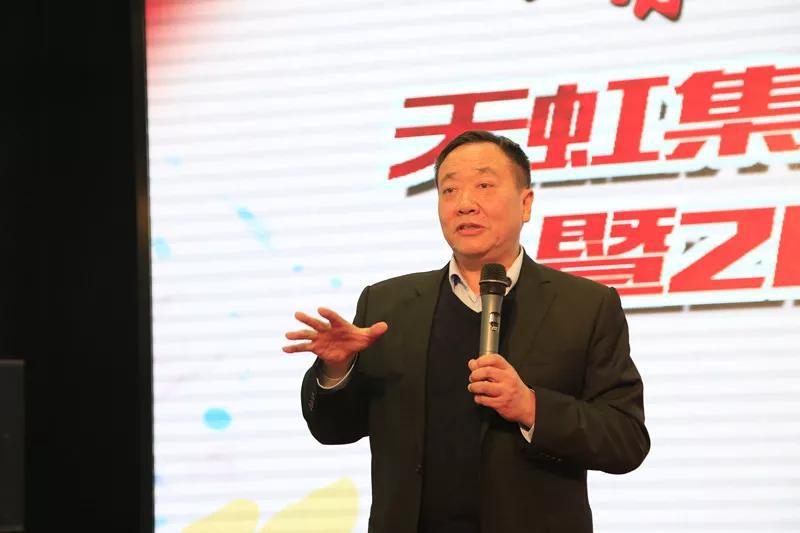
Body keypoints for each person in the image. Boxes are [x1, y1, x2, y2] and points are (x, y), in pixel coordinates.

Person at [283, 130, 649, 533]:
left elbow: (626, 439)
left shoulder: (585, 306)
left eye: (484, 186)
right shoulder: (388, 305)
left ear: (526, 203)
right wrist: (337, 370)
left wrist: (531, 407)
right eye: (450, 190)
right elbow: (333, 430)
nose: (465, 204)